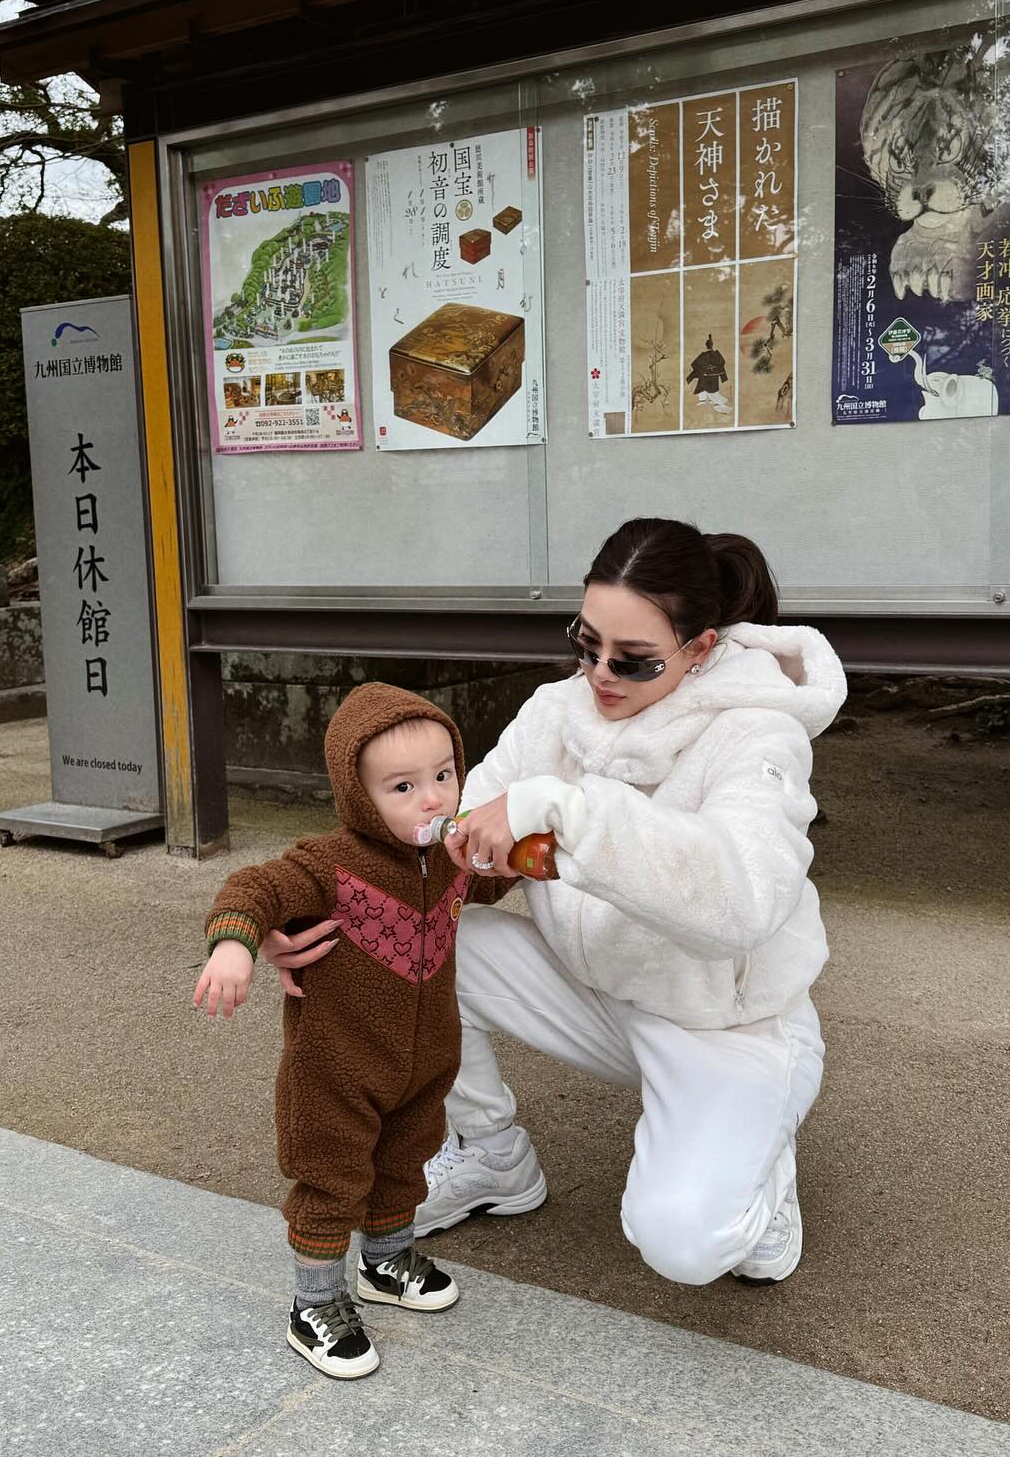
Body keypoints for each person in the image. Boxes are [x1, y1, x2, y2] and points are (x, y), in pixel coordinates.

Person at [262, 517, 846, 1290]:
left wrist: (563, 808)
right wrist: (304, 915)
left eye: (633, 659)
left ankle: (762, 1157)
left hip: (726, 1023)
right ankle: (489, 1151)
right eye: (586, 640)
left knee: (688, 1245)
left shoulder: (759, 735)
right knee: (410, 937)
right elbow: (431, 846)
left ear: (700, 647)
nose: (600, 672)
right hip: (595, 990)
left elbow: (743, 896)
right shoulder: (557, 710)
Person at [193, 682, 512, 1378]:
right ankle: (314, 1302)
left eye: (443, 775)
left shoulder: (451, 856)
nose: (431, 798)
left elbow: (489, 878)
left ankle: (386, 1260)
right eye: (402, 786)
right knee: (332, 1173)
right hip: (336, 1064)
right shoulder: (330, 863)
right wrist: (232, 944)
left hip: (424, 1059)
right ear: (359, 794)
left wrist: (518, 856)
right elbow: (258, 886)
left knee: (405, 1157)